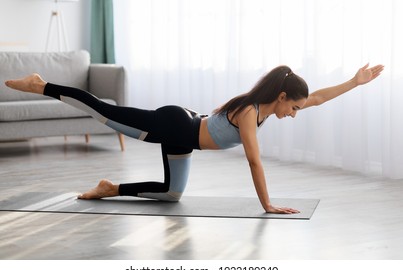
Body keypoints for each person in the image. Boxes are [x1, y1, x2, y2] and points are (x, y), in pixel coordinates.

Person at [5, 64, 384, 214]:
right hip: (175, 126)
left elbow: (316, 97)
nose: (297, 113)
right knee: (105, 113)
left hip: (186, 133)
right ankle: (42, 85)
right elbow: (254, 161)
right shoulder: (251, 113)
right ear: (281, 97)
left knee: (172, 195)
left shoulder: (264, 108)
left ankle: (110, 186)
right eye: (295, 108)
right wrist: (268, 204)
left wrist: (354, 82)